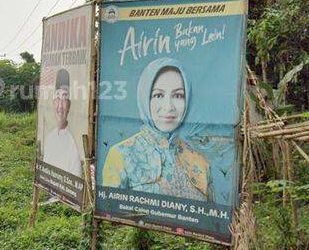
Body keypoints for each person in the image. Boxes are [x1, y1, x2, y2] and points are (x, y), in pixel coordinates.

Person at [102, 58, 210, 201]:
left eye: (178, 95)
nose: (168, 106)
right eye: (158, 95)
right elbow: (110, 216)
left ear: (187, 99)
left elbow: (210, 219)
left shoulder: (200, 162)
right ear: (145, 98)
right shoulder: (122, 155)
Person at [43, 69, 83, 178]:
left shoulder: (74, 141)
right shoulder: (50, 138)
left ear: (69, 105)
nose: (60, 106)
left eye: (65, 98)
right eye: (57, 98)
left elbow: (75, 183)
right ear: (53, 103)